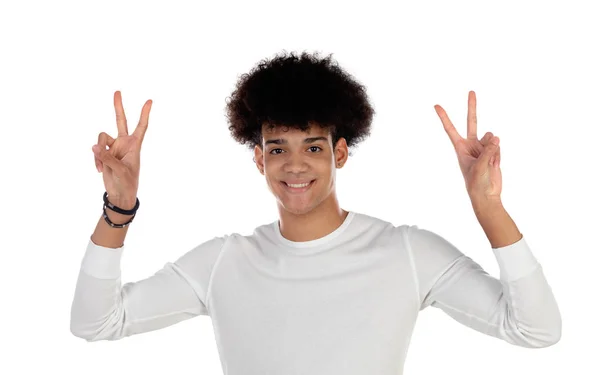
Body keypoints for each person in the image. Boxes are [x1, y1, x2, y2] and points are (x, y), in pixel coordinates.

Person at [70, 51, 561, 374]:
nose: (295, 165)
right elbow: (95, 323)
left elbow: (536, 330)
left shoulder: (406, 252)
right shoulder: (224, 262)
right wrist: (119, 207)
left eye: (313, 147)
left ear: (340, 153)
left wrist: (489, 208)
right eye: (278, 149)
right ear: (259, 159)